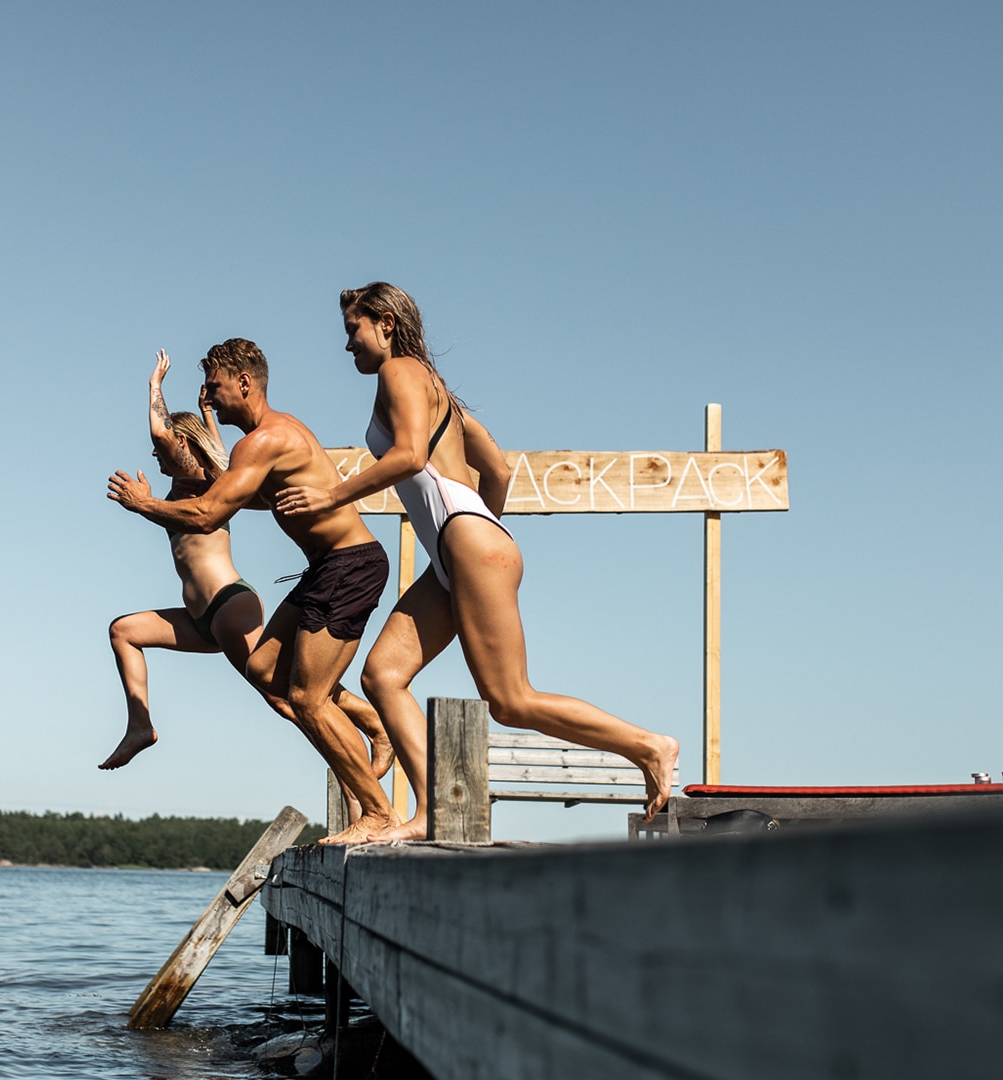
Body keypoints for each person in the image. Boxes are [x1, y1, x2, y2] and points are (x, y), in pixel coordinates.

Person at [273, 283, 680, 842]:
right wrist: (470, 531)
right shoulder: (440, 393)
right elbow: (499, 472)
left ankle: (649, 745)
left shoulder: (401, 373)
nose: (347, 345)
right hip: (461, 545)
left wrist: (336, 496)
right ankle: (429, 814)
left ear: (385, 323)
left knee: (510, 700)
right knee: (383, 675)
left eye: (353, 330)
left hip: (466, 544)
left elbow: (410, 456)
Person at [108, 339, 400, 844]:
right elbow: (241, 492)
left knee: (305, 700)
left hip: (345, 565)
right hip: (326, 566)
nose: (211, 396)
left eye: (216, 387)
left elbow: (208, 513)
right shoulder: (258, 445)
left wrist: (142, 504)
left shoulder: (262, 441)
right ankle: (370, 731)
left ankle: (376, 812)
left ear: (243, 382)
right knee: (267, 671)